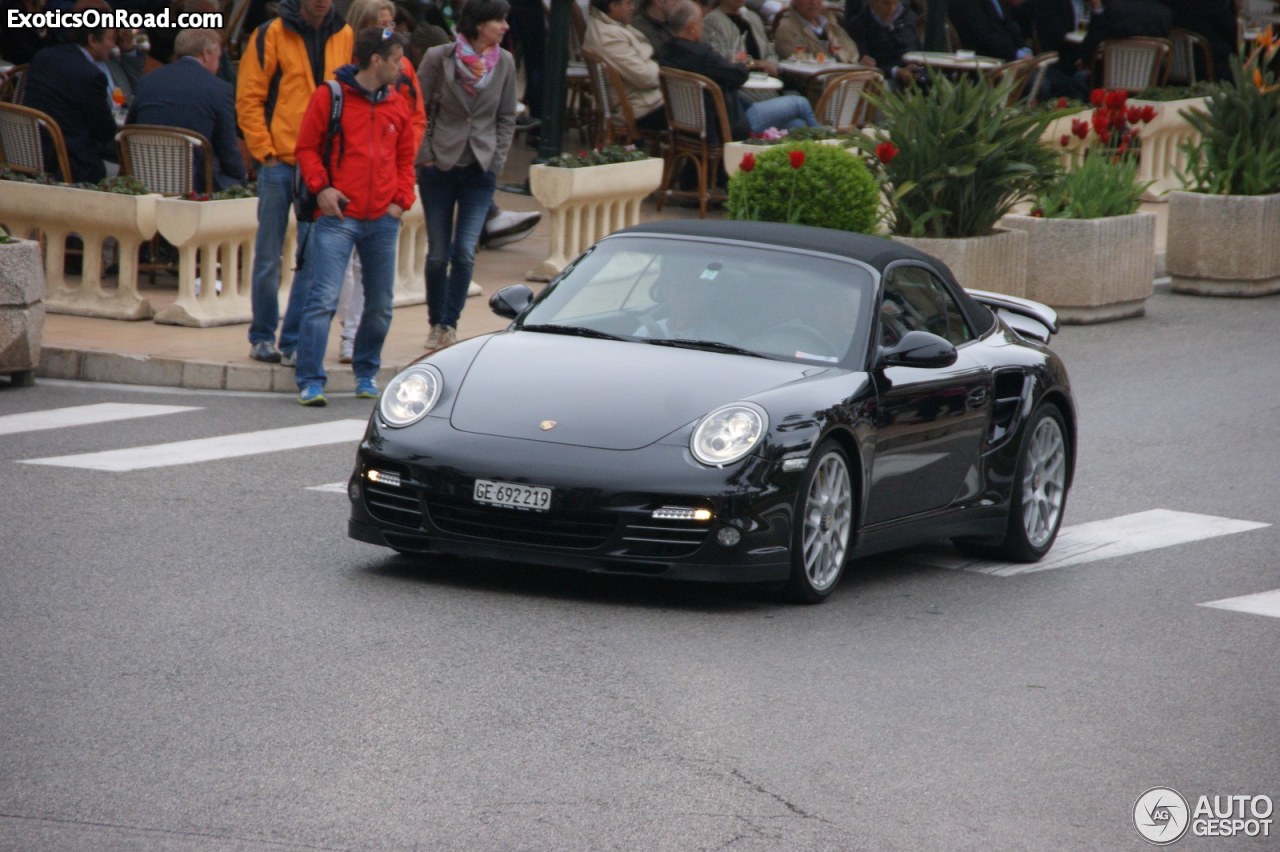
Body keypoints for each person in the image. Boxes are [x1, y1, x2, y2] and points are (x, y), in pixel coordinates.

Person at [293, 27, 418, 406]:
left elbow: (405, 160)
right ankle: (311, 380)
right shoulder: (329, 96)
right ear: (376, 60)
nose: (402, 67)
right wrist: (322, 188)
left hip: (383, 218)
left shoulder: (399, 104)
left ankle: (366, 373)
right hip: (338, 215)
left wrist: (400, 201)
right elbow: (307, 149)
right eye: (396, 59)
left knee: (380, 304)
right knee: (322, 300)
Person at [236, 0, 353, 364]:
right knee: (269, 255)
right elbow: (249, 96)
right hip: (280, 161)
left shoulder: (344, 34)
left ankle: (293, 339)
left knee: (312, 256)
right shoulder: (270, 33)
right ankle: (263, 336)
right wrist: (264, 151)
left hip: (319, 164)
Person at [417, 0, 517, 351]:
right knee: (437, 254)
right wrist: (425, 154)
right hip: (439, 167)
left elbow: (506, 117)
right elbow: (417, 108)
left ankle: (450, 323)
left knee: (465, 252)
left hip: (480, 169)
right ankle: (434, 323)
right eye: (498, 20)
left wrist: (496, 161)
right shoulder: (437, 57)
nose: (504, 26)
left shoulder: (504, 62)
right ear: (478, 23)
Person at [333, 0, 426, 364]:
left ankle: (352, 339)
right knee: (338, 275)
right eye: (382, 24)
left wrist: (399, 192)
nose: (390, 29)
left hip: (384, 191)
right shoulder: (341, 67)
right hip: (344, 192)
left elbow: (414, 119)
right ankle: (345, 331)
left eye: (392, 23)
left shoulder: (401, 70)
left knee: (368, 279)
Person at [656, 0, 818, 142]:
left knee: (797, 125)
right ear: (691, 28)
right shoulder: (702, 55)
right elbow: (738, 75)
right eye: (700, 23)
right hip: (727, 123)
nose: (702, 26)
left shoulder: (666, 51)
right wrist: (743, 63)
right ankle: (829, 146)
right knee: (800, 103)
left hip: (693, 125)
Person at [127, 29, 247, 190]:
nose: (219, 66)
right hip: (196, 184)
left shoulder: (146, 81)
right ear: (206, 54)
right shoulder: (219, 89)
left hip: (146, 179)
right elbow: (228, 151)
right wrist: (242, 178)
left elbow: (130, 129)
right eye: (218, 58)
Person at [20, 0, 117, 183]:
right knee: (128, 169)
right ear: (92, 40)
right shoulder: (90, 75)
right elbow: (105, 132)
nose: (113, 45)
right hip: (69, 165)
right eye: (111, 39)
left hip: (29, 155)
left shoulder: (43, 57)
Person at [583, 0, 666, 131]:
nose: (633, 7)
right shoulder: (610, 37)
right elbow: (646, 77)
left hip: (643, 101)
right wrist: (653, 62)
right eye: (628, 3)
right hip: (641, 108)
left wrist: (645, 58)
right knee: (700, 109)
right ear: (613, 6)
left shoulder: (608, 24)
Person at [703, 0, 789, 106]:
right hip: (738, 90)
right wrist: (755, 63)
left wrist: (772, 65)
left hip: (765, 84)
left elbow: (769, 51)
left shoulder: (753, 18)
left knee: (797, 120)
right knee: (800, 104)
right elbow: (721, 58)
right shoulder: (713, 21)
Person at [845, 0, 926, 90]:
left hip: (916, 77)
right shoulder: (859, 24)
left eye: (895, 3)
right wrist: (896, 72)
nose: (891, 9)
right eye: (885, 3)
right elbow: (864, 63)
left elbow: (919, 49)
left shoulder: (910, 18)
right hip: (884, 81)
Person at [772, 0, 865, 63]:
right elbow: (797, 63)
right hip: (810, 86)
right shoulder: (787, 28)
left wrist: (860, 64)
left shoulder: (831, 21)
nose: (814, 2)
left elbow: (851, 52)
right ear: (795, 1)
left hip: (843, 80)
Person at [947, 0, 1033, 61]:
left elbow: (1009, 25)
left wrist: (1023, 49)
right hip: (987, 61)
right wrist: (1016, 54)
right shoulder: (968, 3)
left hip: (1010, 56)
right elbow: (984, 36)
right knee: (1039, 82)